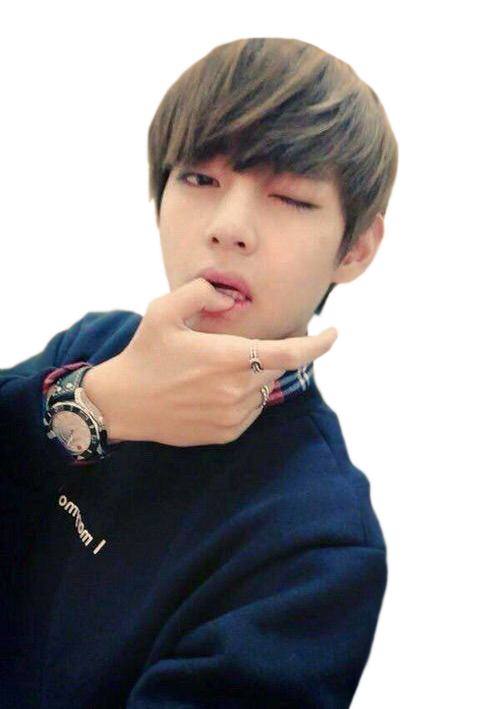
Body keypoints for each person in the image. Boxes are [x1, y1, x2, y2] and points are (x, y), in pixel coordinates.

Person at [0, 35, 400, 708]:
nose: (229, 226)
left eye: (289, 197)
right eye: (199, 180)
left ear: (356, 248)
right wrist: (97, 406)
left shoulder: (321, 543)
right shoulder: (96, 342)